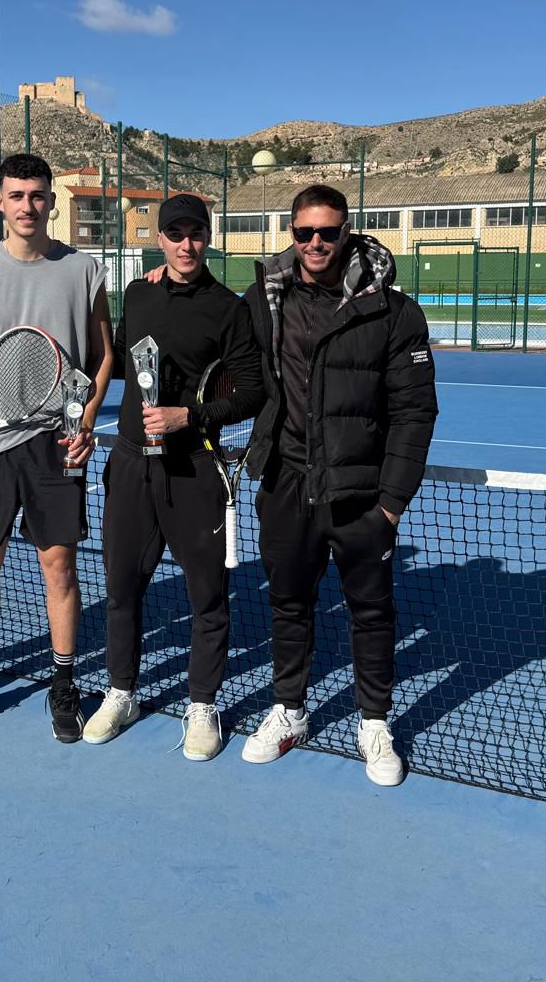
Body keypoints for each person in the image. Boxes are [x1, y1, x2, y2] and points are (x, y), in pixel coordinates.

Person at [238, 184, 437, 786]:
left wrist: (391, 505)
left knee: (371, 612)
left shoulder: (394, 312)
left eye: (328, 232)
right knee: (288, 604)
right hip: (287, 484)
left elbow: (414, 413)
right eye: (305, 232)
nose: (316, 242)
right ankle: (290, 710)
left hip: (360, 495)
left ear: (347, 232)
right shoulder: (264, 297)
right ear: (291, 234)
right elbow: (224, 359)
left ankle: (374, 721)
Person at [0, 153, 114, 742]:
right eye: (16, 195)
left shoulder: (83, 270)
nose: (27, 206)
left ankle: (64, 683)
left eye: (37, 195)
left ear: (51, 202)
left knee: (58, 566)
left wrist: (85, 419)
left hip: (55, 443)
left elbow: (103, 354)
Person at [83, 194, 264, 760]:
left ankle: (203, 705)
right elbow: (114, 358)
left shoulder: (228, 309)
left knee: (207, 596)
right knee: (122, 590)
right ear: (159, 239)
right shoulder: (138, 293)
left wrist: (191, 416)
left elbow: (254, 392)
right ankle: (122, 693)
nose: (187, 245)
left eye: (196, 234)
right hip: (131, 466)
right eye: (175, 234)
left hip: (193, 471)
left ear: (207, 238)